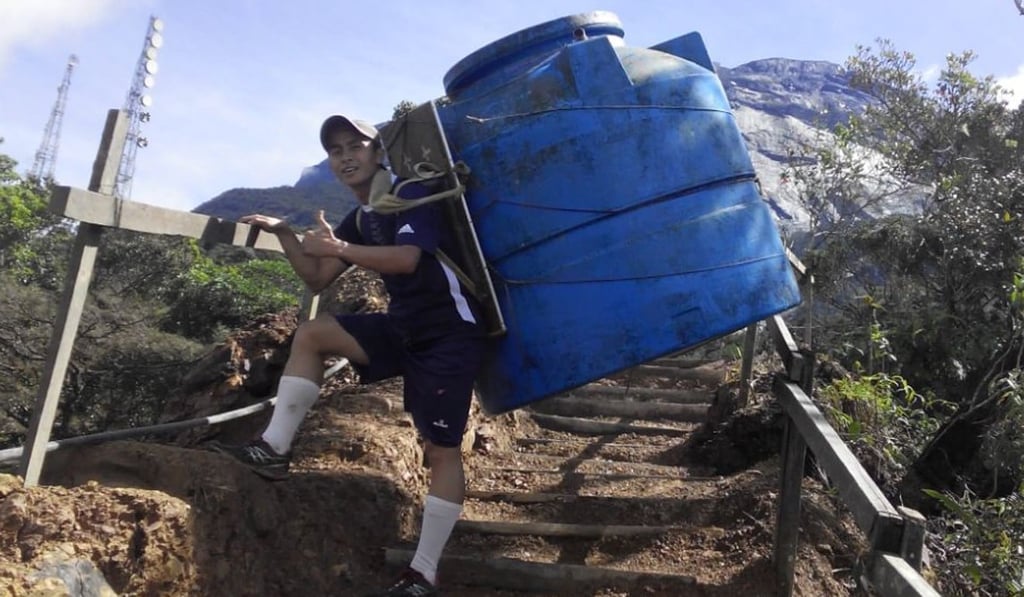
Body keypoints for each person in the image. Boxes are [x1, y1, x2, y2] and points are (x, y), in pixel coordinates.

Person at [212, 114, 486, 597]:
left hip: (448, 334)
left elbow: (406, 260)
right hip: (402, 329)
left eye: (354, 146)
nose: (345, 157)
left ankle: (423, 572)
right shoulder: (361, 218)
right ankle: (273, 448)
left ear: (378, 152)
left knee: (441, 449)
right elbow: (317, 279)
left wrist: (339, 246)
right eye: (335, 150)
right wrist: (284, 232)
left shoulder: (413, 195)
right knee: (314, 334)